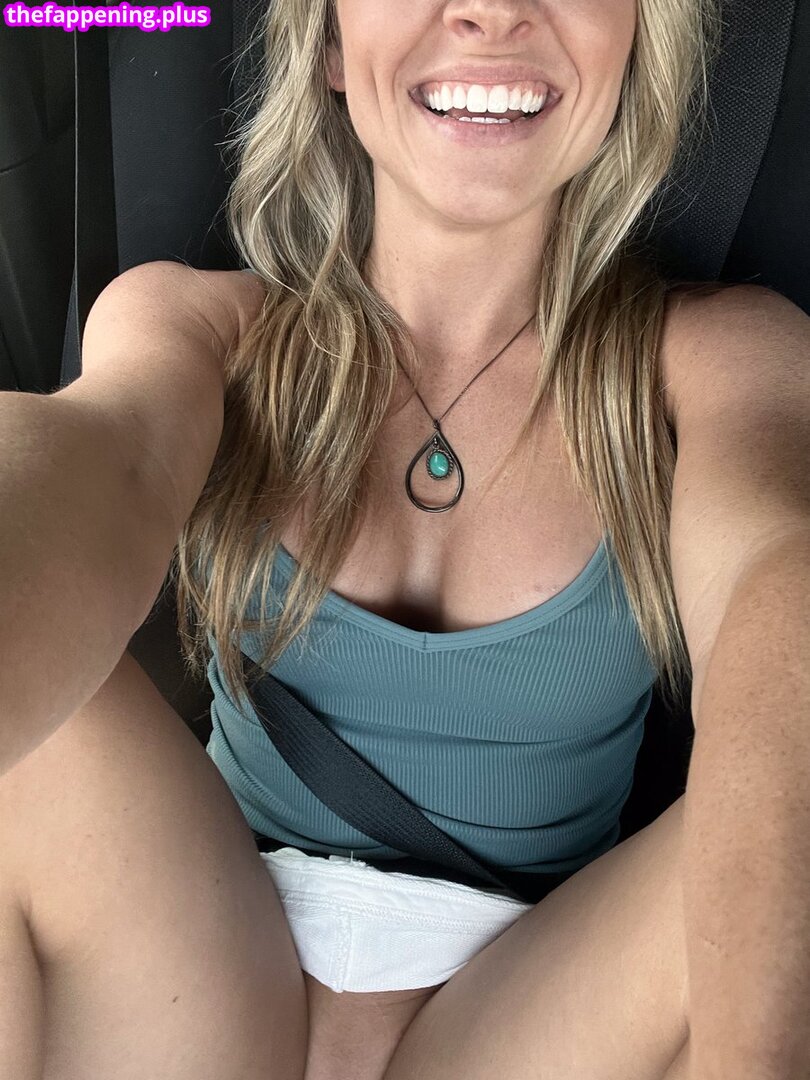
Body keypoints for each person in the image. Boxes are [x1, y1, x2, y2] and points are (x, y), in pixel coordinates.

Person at [3, 1, 809, 1079]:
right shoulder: (202, 329)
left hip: (532, 1012)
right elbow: (98, 467)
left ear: (632, 44)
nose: (493, 10)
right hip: (195, 961)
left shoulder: (715, 362)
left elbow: (776, 586)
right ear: (333, 43)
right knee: (43, 733)